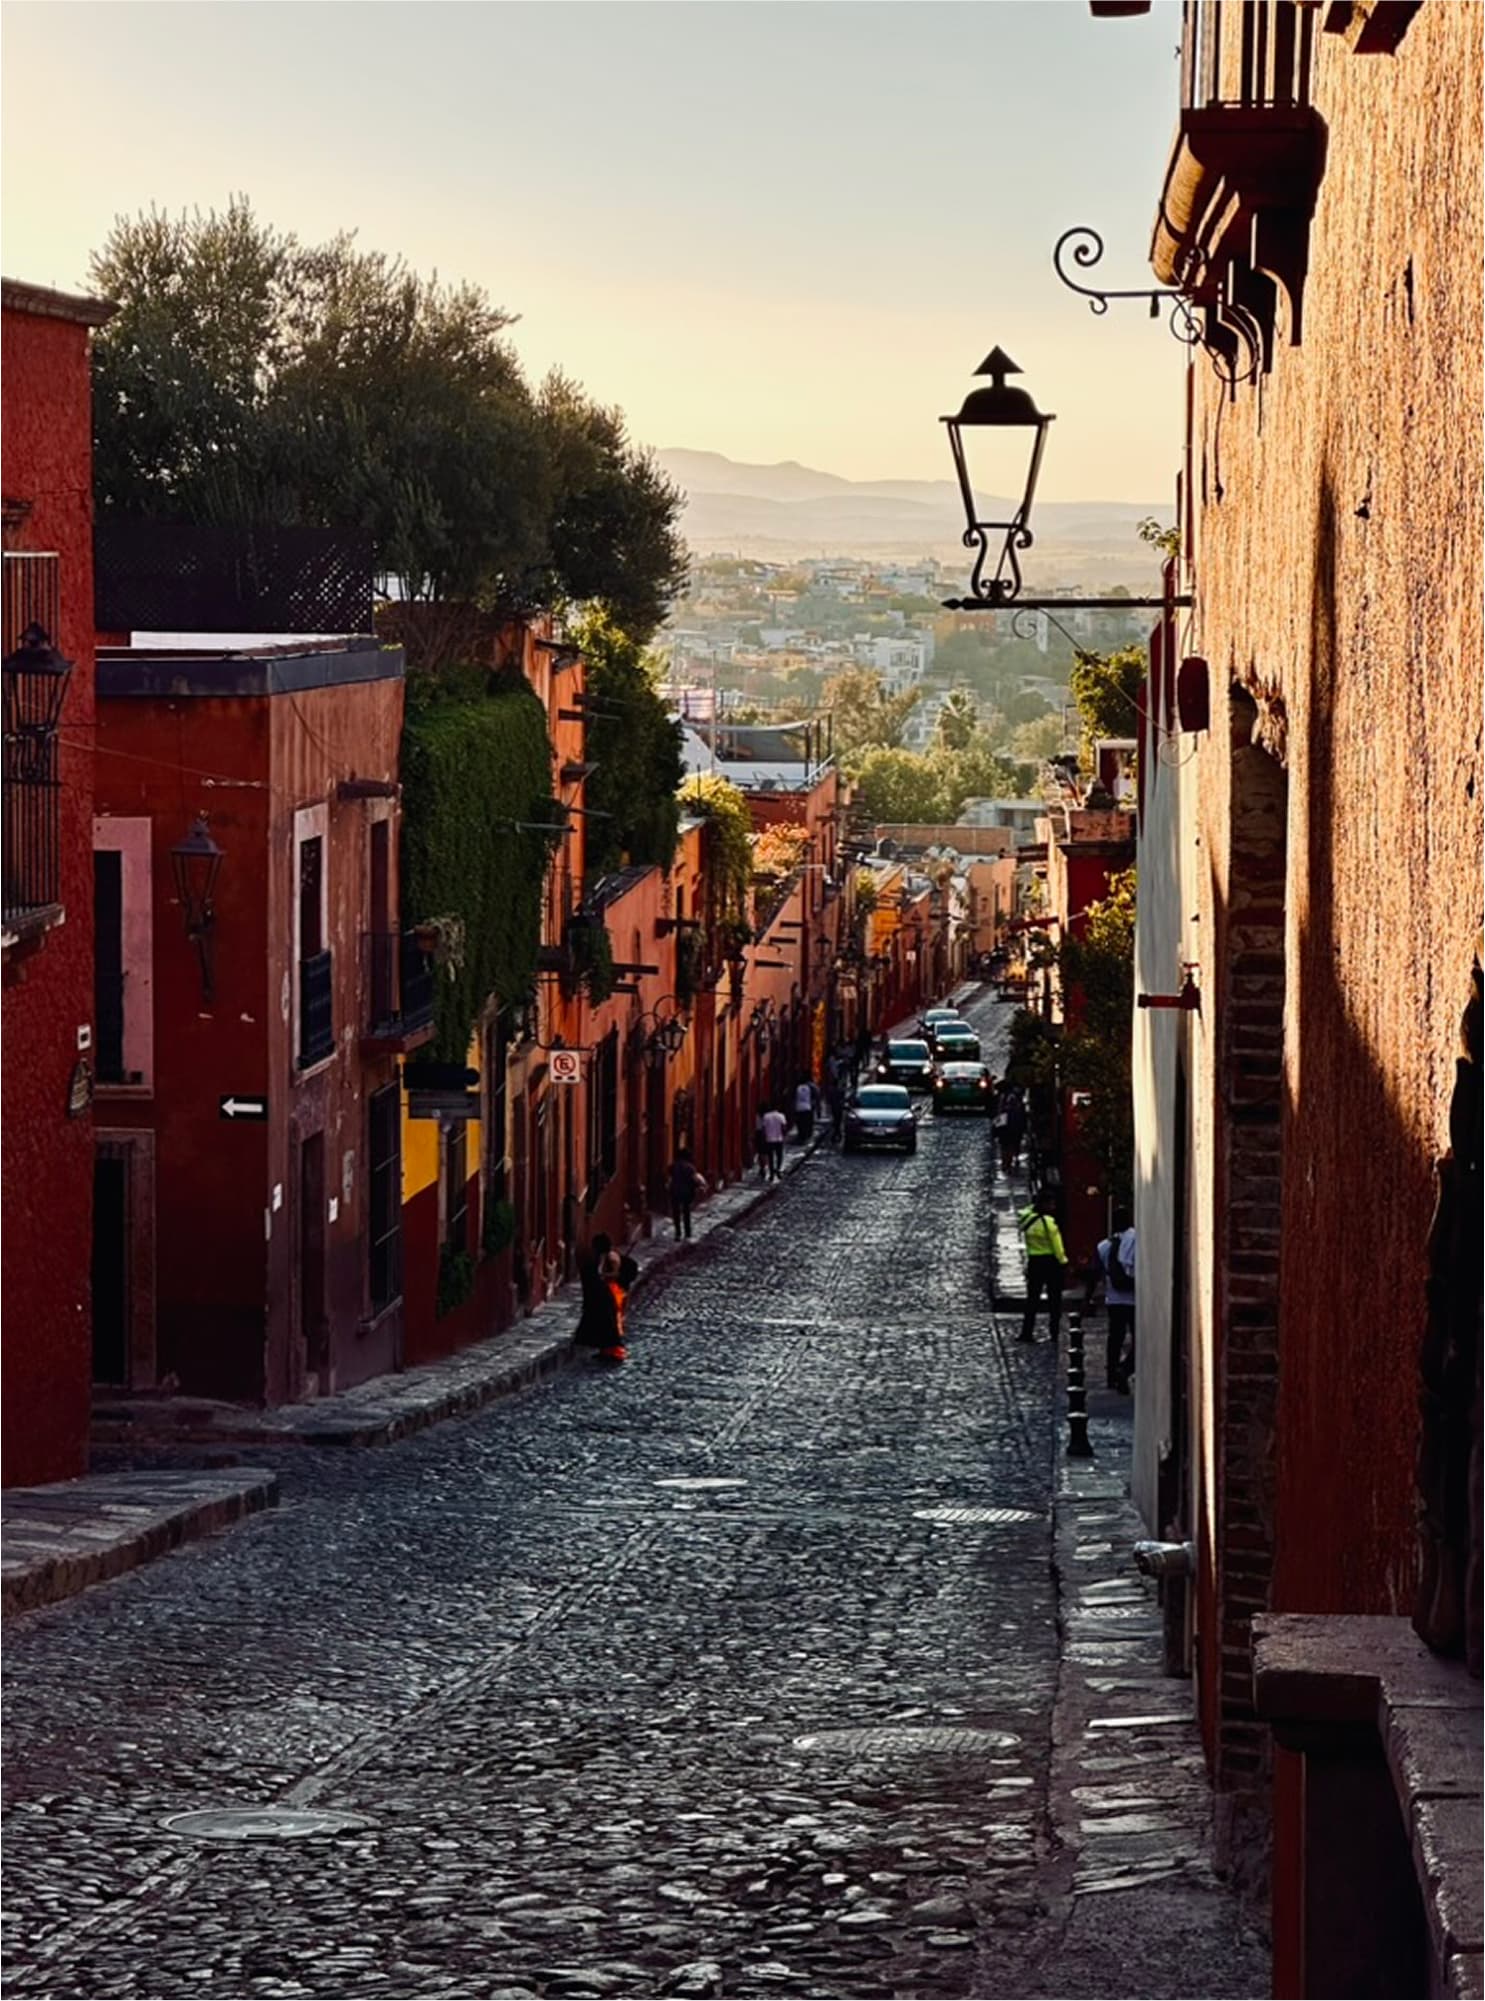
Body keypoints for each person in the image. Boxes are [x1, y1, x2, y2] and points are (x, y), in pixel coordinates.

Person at [1087, 1209, 1137, 1391]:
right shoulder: (1137, 1240)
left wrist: (1088, 1298)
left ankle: (1111, 1375)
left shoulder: (1103, 1246)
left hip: (1114, 1299)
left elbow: (1094, 1274)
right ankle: (1125, 1369)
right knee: (1138, 1339)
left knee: (1115, 1337)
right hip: (1134, 1299)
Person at [1017, 1187, 1068, 1344]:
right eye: (1051, 1204)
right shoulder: (1049, 1223)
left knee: (1032, 1299)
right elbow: (1057, 1246)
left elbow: (1023, 1212)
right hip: (1051, 1262)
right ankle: (1054, 1333)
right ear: (1045, 1205)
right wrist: (1063, 1261)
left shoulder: (1027, 1220)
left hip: (1034, 1261)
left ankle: (1027, 1332)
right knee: (1054, 1301)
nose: (1053, 1207)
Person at [575, 1232, 617, 1353]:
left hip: (596, 1295)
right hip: (597, 1296)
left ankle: (604, 1348)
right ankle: (605, 1347)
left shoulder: (596, 1259)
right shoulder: (593, 1261)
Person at [669, 1147, 706, 1241]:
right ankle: (687, 1232)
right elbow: (695, 1179)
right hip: (687, 1192)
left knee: (676, 1213)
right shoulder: (690, 1167)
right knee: (686, 1212)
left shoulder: (673, 1166)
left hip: (675, 1191)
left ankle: (678, 1233)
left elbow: (669, 1178)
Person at [598, 1251, 628, 1365]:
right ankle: (606, 1350)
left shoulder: (612, 1259)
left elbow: (614, 1274)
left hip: (612, 1294)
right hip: (611, 1293)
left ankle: (616, 1352)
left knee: (612, 1322)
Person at [996, 1085, 1027, 1173]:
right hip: (1012, 1124)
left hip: (1008, 1124)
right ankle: (1007, 1164)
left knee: (1006, 1145)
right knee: (1008, 1145)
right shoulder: (1015, 1099)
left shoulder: (1004, 1098)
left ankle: (1006, 1164)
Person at [760, 1104, 788, 1182]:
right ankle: (778, 1169)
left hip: (769, 1139)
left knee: (770, 1157)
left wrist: (764, 1138)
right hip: (779, 1139)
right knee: (779, 1156)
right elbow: (784, 1127)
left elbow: (763, 1129)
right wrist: (784, 1136)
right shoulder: (781, 1116)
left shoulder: (766, 1116)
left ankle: (771, 1173)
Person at [793, 1075, 818, 1145]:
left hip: (798, 1108)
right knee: (807, 1123)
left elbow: (794, 1098)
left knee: (800, 1124)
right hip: (807, 1107)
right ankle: (806, 1137)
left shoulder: (797, 1088)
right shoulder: (809, 1087)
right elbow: (815, 1096)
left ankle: (801, 1136)